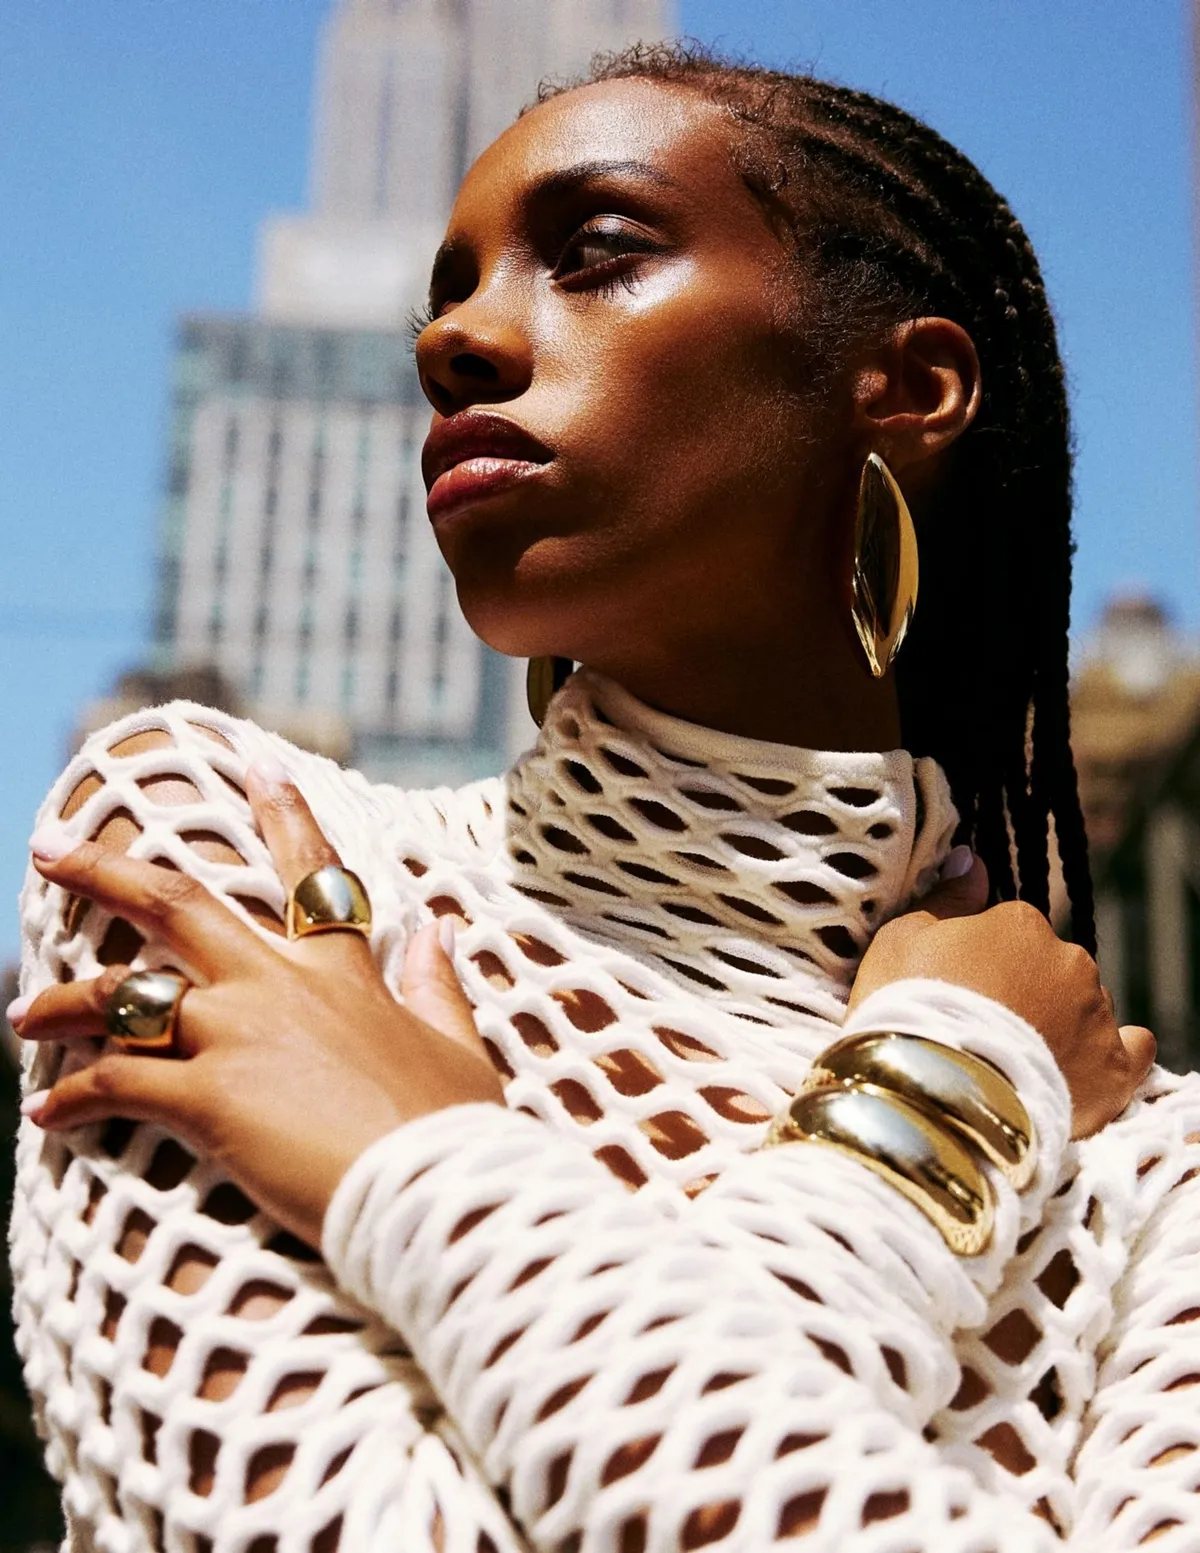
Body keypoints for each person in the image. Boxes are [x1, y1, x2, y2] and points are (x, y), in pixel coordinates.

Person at [7, 42, 1196, 1553]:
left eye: (598, 253)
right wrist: (938, 1112)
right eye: (442, 300)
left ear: (906, 387)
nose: (452, 343)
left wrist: (419, 1174)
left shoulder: (1146, 1165)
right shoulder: (232, 852)